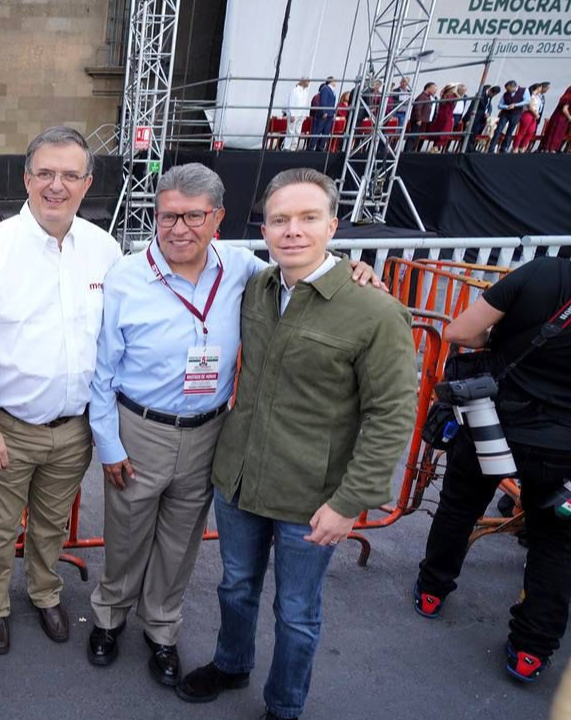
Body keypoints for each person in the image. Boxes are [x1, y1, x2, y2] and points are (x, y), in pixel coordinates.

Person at [87, 164, 380, 684]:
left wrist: (352, 267)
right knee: (126, 535)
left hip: (209, 432)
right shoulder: (126, 276)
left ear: (217, 218)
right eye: (167, 216)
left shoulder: (242, 267)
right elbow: (103, 369)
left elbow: (305, 265)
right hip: (140, 428)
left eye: (193, 216)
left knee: (180, 543)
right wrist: (108, 443)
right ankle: (110, 617)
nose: (179, 229)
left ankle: (161, 629)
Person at [177, 168, 417, 720]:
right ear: (264, 227)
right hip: (239, 478)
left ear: (333, 225)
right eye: (280, 219)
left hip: (313, 497)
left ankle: (284, 706)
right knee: (235, 587)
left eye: (308, 218)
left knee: (296, 611)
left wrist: (349, 503)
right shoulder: (257, 286)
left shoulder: (375, 311)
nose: (292, 231)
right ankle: (232, 664)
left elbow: (390, 416)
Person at [0, 126, 123, 655]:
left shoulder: (104, 249)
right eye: (45, 173)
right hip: (8, 427)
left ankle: (46, 594)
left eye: (70, 175)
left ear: (87, 183)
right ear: (27, 179)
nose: (56, 185)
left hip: (74, 430)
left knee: (51, 525)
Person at [414, 256, 571, 684]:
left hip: (494, 422)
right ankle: (530, 652)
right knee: (555, 544)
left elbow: (460, 331)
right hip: (561, 449)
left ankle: (432, 590)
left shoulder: (543, 273)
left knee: (459, 506)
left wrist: (497, 341)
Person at [490, 80, 529, 153]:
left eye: (508, 89)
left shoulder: (524, 90)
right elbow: (499, 105)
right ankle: (491, 148)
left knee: (509, 132)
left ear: (513, 87)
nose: (507, 91)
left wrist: (515, 105)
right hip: (505, 113)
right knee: (498, 130)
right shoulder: (505, 94)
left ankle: (504, 148)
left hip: (516, 114)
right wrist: (506, 107)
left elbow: (527, 101)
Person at [465, 85, 502, 153]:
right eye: (494, 94)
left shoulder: (490, 97)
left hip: (482, 119)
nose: (493, 96)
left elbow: (488, 106)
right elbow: (472, 106)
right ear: (491, 91)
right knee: (472, 133)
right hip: (475, 117)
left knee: (476, 133)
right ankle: (467, 149)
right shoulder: (481, 94)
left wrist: (488, 113)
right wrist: (468, 119)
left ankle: (472, 147)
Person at [308, 78, 336, 152]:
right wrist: (324, 112)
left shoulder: (333, 91)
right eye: (334, 81)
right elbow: (323, 101)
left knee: (326, 131)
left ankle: (321, 146)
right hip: (325, 114)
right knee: (318, 129)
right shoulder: (325, 89)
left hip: (330, 114)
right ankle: (312, 146)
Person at [408, 82, 438, 151]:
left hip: (424, 121)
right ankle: (408, 150)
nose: (435, 91)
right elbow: (418, 108)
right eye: (434, 89)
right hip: (418, 121)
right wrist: (418, 119)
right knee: (413, 136)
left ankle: (413, 150)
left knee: (417, 137)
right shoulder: (422, 96)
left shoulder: (427, 97)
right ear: (428, 88)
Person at [540, 85, 571, 152]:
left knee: (552, 132)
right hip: (561, 119)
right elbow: (564, 109)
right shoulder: (569, 97)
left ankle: (547, 148)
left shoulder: (564, 97)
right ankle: (552, 149)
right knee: (557, 133)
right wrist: (570, 118)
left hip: (557, 117)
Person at [430, 84, 460, 152]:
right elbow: (458, 98)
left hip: (442, 115)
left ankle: (436, 147)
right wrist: (456, 93)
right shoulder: (451, 96)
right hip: (447, 116)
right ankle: (436, 148)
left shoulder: (444, 95)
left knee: (441, 131)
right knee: (444, 131)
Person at [287, 78, 311, 150]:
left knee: (297, 131)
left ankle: (293, 147)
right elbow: (291, 103)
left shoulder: (305, 92)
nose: (308, 83)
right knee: (290, 131)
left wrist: (304, 115)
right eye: (307, 82)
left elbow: (305, 104)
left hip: (301, 114)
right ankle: (286, 147)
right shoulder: (295, 91)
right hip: (294, 114)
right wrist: (292, 114)